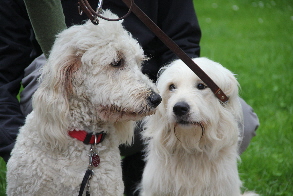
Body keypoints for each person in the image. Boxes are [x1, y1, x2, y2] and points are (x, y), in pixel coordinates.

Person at [0, 0, 259, 195]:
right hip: (51, 75)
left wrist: (169, 92)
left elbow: (182, 45)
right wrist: (21, 150)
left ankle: (148, 175)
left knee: (241, 121)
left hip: (150, 76)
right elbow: (4, 72)